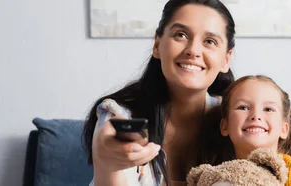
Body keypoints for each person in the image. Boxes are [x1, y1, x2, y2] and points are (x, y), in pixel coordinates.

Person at [81, 0, 237, 185]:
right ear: (157, 44)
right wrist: (108, 164)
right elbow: (110, 147)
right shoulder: (121, 116)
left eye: (210, 41)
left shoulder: (238, 119)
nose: (193, 50)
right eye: (181, 35)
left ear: (226, 60)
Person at [195, 75, 291, 186]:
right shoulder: (218, 174)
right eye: (243, 107)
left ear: (284, 129)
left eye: (268, 109)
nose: (256, 115)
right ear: (224, 126)